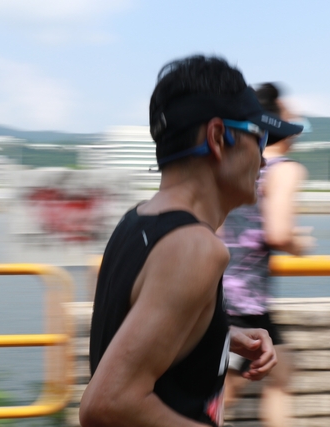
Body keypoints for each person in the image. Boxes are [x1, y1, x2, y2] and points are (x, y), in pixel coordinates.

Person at [80, 56, 304, 427]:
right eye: (260, 138)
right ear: (218, 138)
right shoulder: (195, 249)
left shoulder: (136, 222)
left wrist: (218, 335)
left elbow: (139, 337)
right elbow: (107, 404)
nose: (264, 161)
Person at [220, 82, 314, 427]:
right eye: (293, 116)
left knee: (280, 371)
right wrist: (299, 243)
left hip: (222, 291)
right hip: (243, 303)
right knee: (225, 393)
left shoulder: (235, 164)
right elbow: (278, 233)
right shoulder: (284, 169)